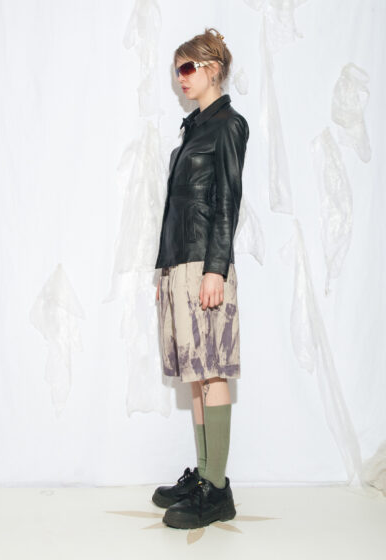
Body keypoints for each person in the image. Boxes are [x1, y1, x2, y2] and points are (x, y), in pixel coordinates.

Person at [152, 27, 249, 530]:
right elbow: (179, 204)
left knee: (212, 370)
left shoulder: (228, 125)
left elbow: (228, 201)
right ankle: (205, 476)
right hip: (179, 263)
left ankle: (216, 488)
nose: (181, 77)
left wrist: (216, 268)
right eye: (177, 70)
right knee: (195, 371)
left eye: (188, 67)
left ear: (213, 68)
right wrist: (166, 267)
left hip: (205, 266)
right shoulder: (193, 128)